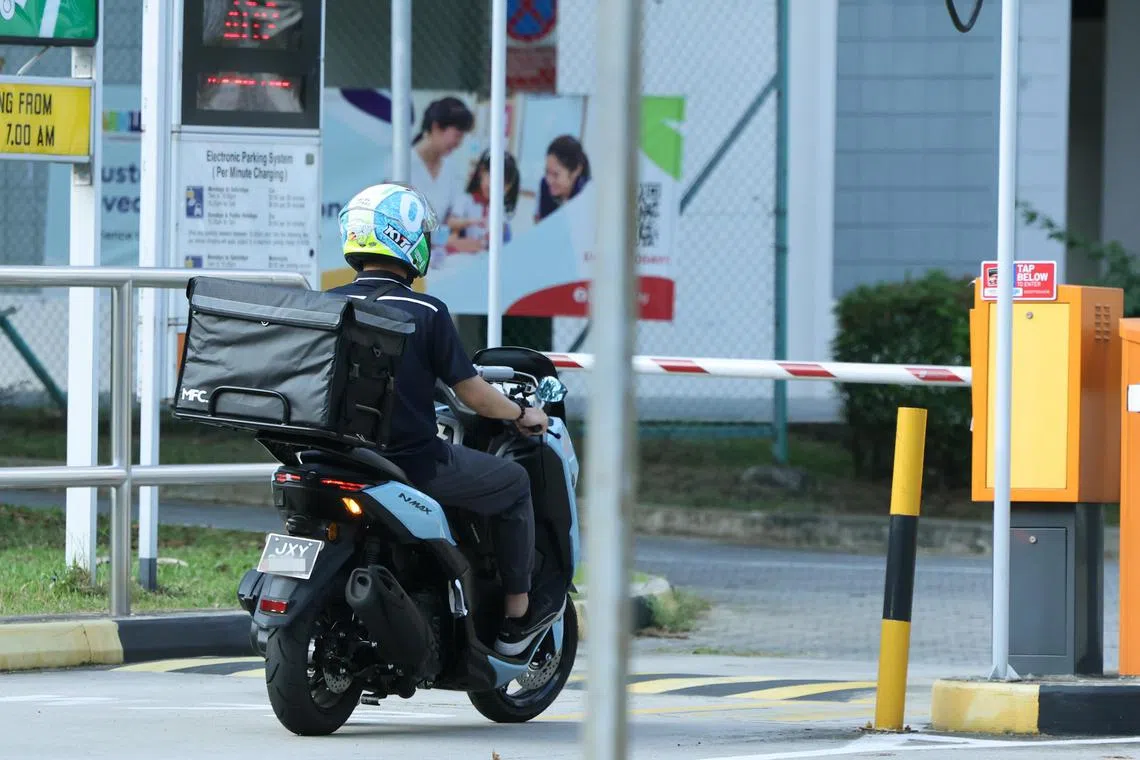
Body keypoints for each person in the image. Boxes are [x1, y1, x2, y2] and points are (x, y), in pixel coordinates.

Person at [329, 182, 564, 658]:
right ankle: (517, 614)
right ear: (406, 240)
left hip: (333, 456)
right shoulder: (425, 311)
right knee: (515, 481)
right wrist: (522, 413)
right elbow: (473, 394)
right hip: (411, 463)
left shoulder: (326, 304)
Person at [410, 97, 475, 263]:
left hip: (436, 260)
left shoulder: (451, 170)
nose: (458, 143)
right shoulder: (403, 165)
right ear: (436, 127)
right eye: (457, 135)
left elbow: (450, 220)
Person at [446, 149, 521, 254]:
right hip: (463, 255)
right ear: (482, 172)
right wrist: (471, 221)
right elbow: (451, 222)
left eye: (501, 184)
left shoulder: (498, 209)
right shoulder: (465, 200)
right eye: (492, 177)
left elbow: (503, 237)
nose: (493, 187)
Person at [536, 135, 591, 222]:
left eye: (556, 174)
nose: (549, 180)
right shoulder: (545, 186)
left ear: (576, 171)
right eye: (547, 172)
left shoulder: (586, 197)